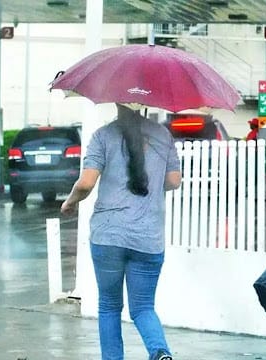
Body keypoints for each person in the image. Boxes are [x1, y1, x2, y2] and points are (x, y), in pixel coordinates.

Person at [61, 103, 181, 360]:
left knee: (109, 307)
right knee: (143, 308)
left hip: (109, 236)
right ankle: (160, 352)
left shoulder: (103, 136)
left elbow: (86, 183)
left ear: (116, 102)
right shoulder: (163, 135)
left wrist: (70, 201)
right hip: (148, 238)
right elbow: (173, 181)